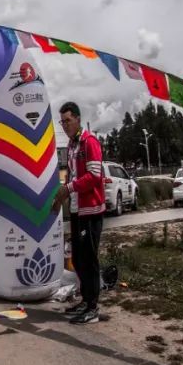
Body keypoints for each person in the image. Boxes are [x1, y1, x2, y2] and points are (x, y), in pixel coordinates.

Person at [52, 102, 105, 324]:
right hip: (76, 210)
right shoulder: (71, 145)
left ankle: (93, 308)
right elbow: (71, 176)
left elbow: (94, 175)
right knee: (77, 258)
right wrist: (61, 197)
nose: (65, 125)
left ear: (78, 119)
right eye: (62, 122)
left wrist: (69, 188)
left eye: (68, 120)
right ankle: (85, 300)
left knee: (89, 259)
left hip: (90, 210)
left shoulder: (89, 142)